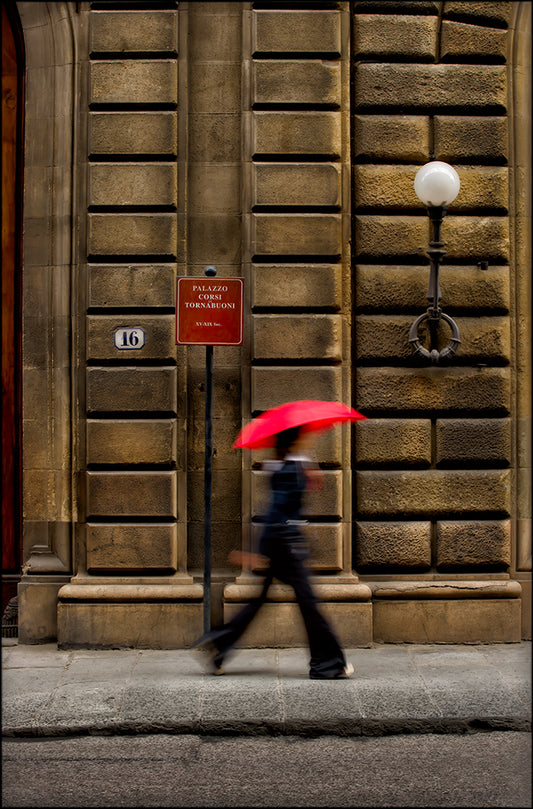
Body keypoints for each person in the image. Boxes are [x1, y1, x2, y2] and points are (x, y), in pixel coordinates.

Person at [192, 425, 354, 680]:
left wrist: (308, 476)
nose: (306, 438)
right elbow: (277, 511)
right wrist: (253, 550)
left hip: (281, 542)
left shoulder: (286, 465)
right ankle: (328, 663)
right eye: (302, 436)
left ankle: (218, 644)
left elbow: (289, 501)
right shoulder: (290, 469)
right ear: (296, 439)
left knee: (259, 602)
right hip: (286, 545)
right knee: (309, 603)